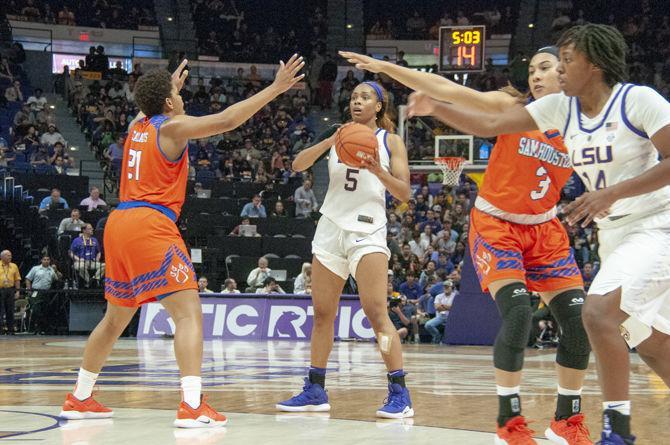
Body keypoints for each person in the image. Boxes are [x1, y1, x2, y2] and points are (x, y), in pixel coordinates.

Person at [405, 23, 670, 445]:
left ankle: (610, 430)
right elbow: (491, 121)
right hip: (563, 230)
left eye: (563, 61)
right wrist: (436, 108)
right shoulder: (555, 111)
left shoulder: (635, 100)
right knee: (650, 340)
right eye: (550, 63)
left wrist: (612, 193)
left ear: (594, 64)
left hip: (652, 225)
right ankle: (512, 421)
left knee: (594, 317)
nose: (554, 71)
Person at [340, 47, 592, 443]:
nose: (536, 76)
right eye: (532, 69)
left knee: (579, 323)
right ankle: (508, 423)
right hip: (497, 225)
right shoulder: (515, 105)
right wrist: (390, 70)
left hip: (545, 229)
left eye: (545, 68)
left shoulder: (584, 122)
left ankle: (566, 421)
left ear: (569, 74)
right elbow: (455, 96)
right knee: (519, 314)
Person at [59, 56, 305, 426]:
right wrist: (274, 88)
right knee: (188, 314)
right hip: (150, 223)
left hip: (119, 222)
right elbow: (226, 121)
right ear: (170, 103)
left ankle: (79, 397)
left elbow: (150, 104)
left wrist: (166, 89)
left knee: (114, 320)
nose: (181, 97)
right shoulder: (171, 127)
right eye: (176, 94)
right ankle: (191, 405)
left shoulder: (136, 124)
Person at [277, 81, 413, 419]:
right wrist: (331, 139)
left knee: (376, 314)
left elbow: (404, 193)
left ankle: (399, 391)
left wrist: (377, 169)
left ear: (379, 106)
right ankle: (315, 388)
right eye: (353, 97)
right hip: (331, 228)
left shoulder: (390, 140)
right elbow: (297, 164)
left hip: (367, 230)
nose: (357, 102)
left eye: (365, 97)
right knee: (323, 313)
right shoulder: (338, 137)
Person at [0, 250, 21, 335]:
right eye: (8, 255)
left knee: (10, 310)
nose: (10, 257)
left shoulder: (14, 266)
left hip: (10, 290)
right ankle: (0, 329)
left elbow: (17, 279)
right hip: (0, 289)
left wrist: (17, 291)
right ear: (2, 257)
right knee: (1, 311)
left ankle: (10, 330)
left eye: (10, 255)